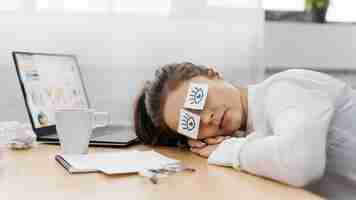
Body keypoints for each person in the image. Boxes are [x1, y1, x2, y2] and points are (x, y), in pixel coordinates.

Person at [133, 62, 356, 199]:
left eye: (198, 98)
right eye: (190, 124)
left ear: (214, 74)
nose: (206, 118)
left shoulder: (283, 89)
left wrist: (232, 151)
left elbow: (301, 163)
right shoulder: (250, 131)